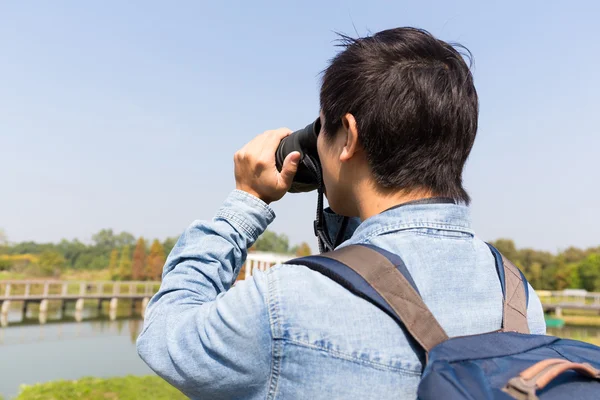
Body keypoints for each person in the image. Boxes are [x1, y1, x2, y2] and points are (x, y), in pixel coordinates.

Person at [136, 27, 546, 399]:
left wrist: (246, 200)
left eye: (323, 130)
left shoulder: (287, 303)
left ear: (348, 135)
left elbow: (165, 334)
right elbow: (372, 264)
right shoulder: (517, 296)